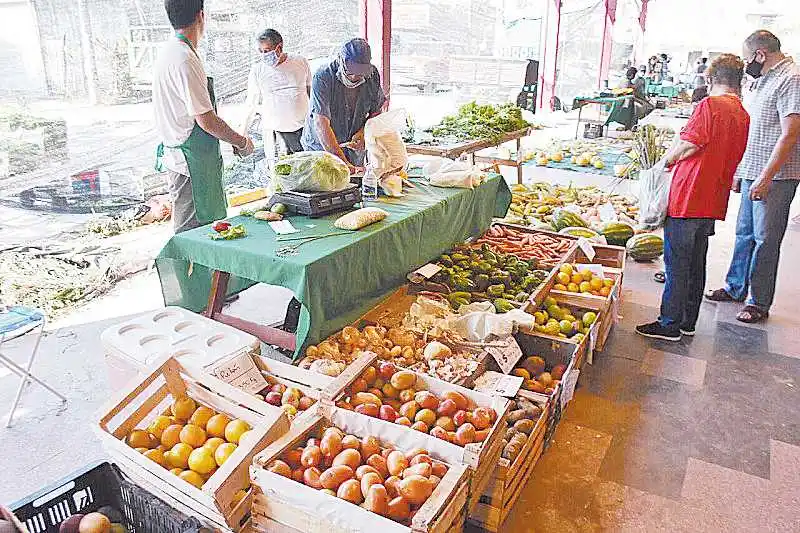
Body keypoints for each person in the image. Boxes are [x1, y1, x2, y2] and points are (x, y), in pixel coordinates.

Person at [637, 54, 750, 341]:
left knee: (676, 264)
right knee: (696, 263)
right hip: (713, 199)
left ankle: (669, 324)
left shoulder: (709, 105)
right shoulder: (742, 113)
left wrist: (663, 163)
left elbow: (690, 144)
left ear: (710, 79)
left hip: (688, 196)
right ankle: (688, 321)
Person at [705, 30, 800, 323]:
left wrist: (766, 177)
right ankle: (735, 286)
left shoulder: (791, 79)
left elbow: (790, 134)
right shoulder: (763, 79)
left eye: (748, 59)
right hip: (752, 169)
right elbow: (756, 128)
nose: (747, 65)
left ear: (761, 54)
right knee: (744, 233)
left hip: (776, 176)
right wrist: (741, 170)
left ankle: (758, 301)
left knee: (765, 239)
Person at [153, 0, 253, 233]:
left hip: (192, 160)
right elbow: (206, 120)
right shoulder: (184, 58)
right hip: (191, 166)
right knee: (194, 235)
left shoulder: (171, 51)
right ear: (201, 15)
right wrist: (241, 142)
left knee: (205, 233)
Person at [301, 38, 386, 172]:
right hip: (322, 147)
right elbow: (321, 123)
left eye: (359, 74)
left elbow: (376, 111)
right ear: (340, 60)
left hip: (352, 149)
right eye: (349, 72)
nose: (353, 77)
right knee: (326, 178)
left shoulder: (372, 75)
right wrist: (342, 162)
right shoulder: (323, 77)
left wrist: (363, 132)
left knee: (353, 180)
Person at [241, 29, 311, 156]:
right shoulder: (257, 70)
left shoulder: (300, 62)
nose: (263, 55)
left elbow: (310, 91)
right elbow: (251, 103)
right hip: (276, 133)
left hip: (303, 129)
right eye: (260, 51)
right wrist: (243, 132)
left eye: (267, 51)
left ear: (279, 47)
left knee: (306, 162)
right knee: (281, 164)